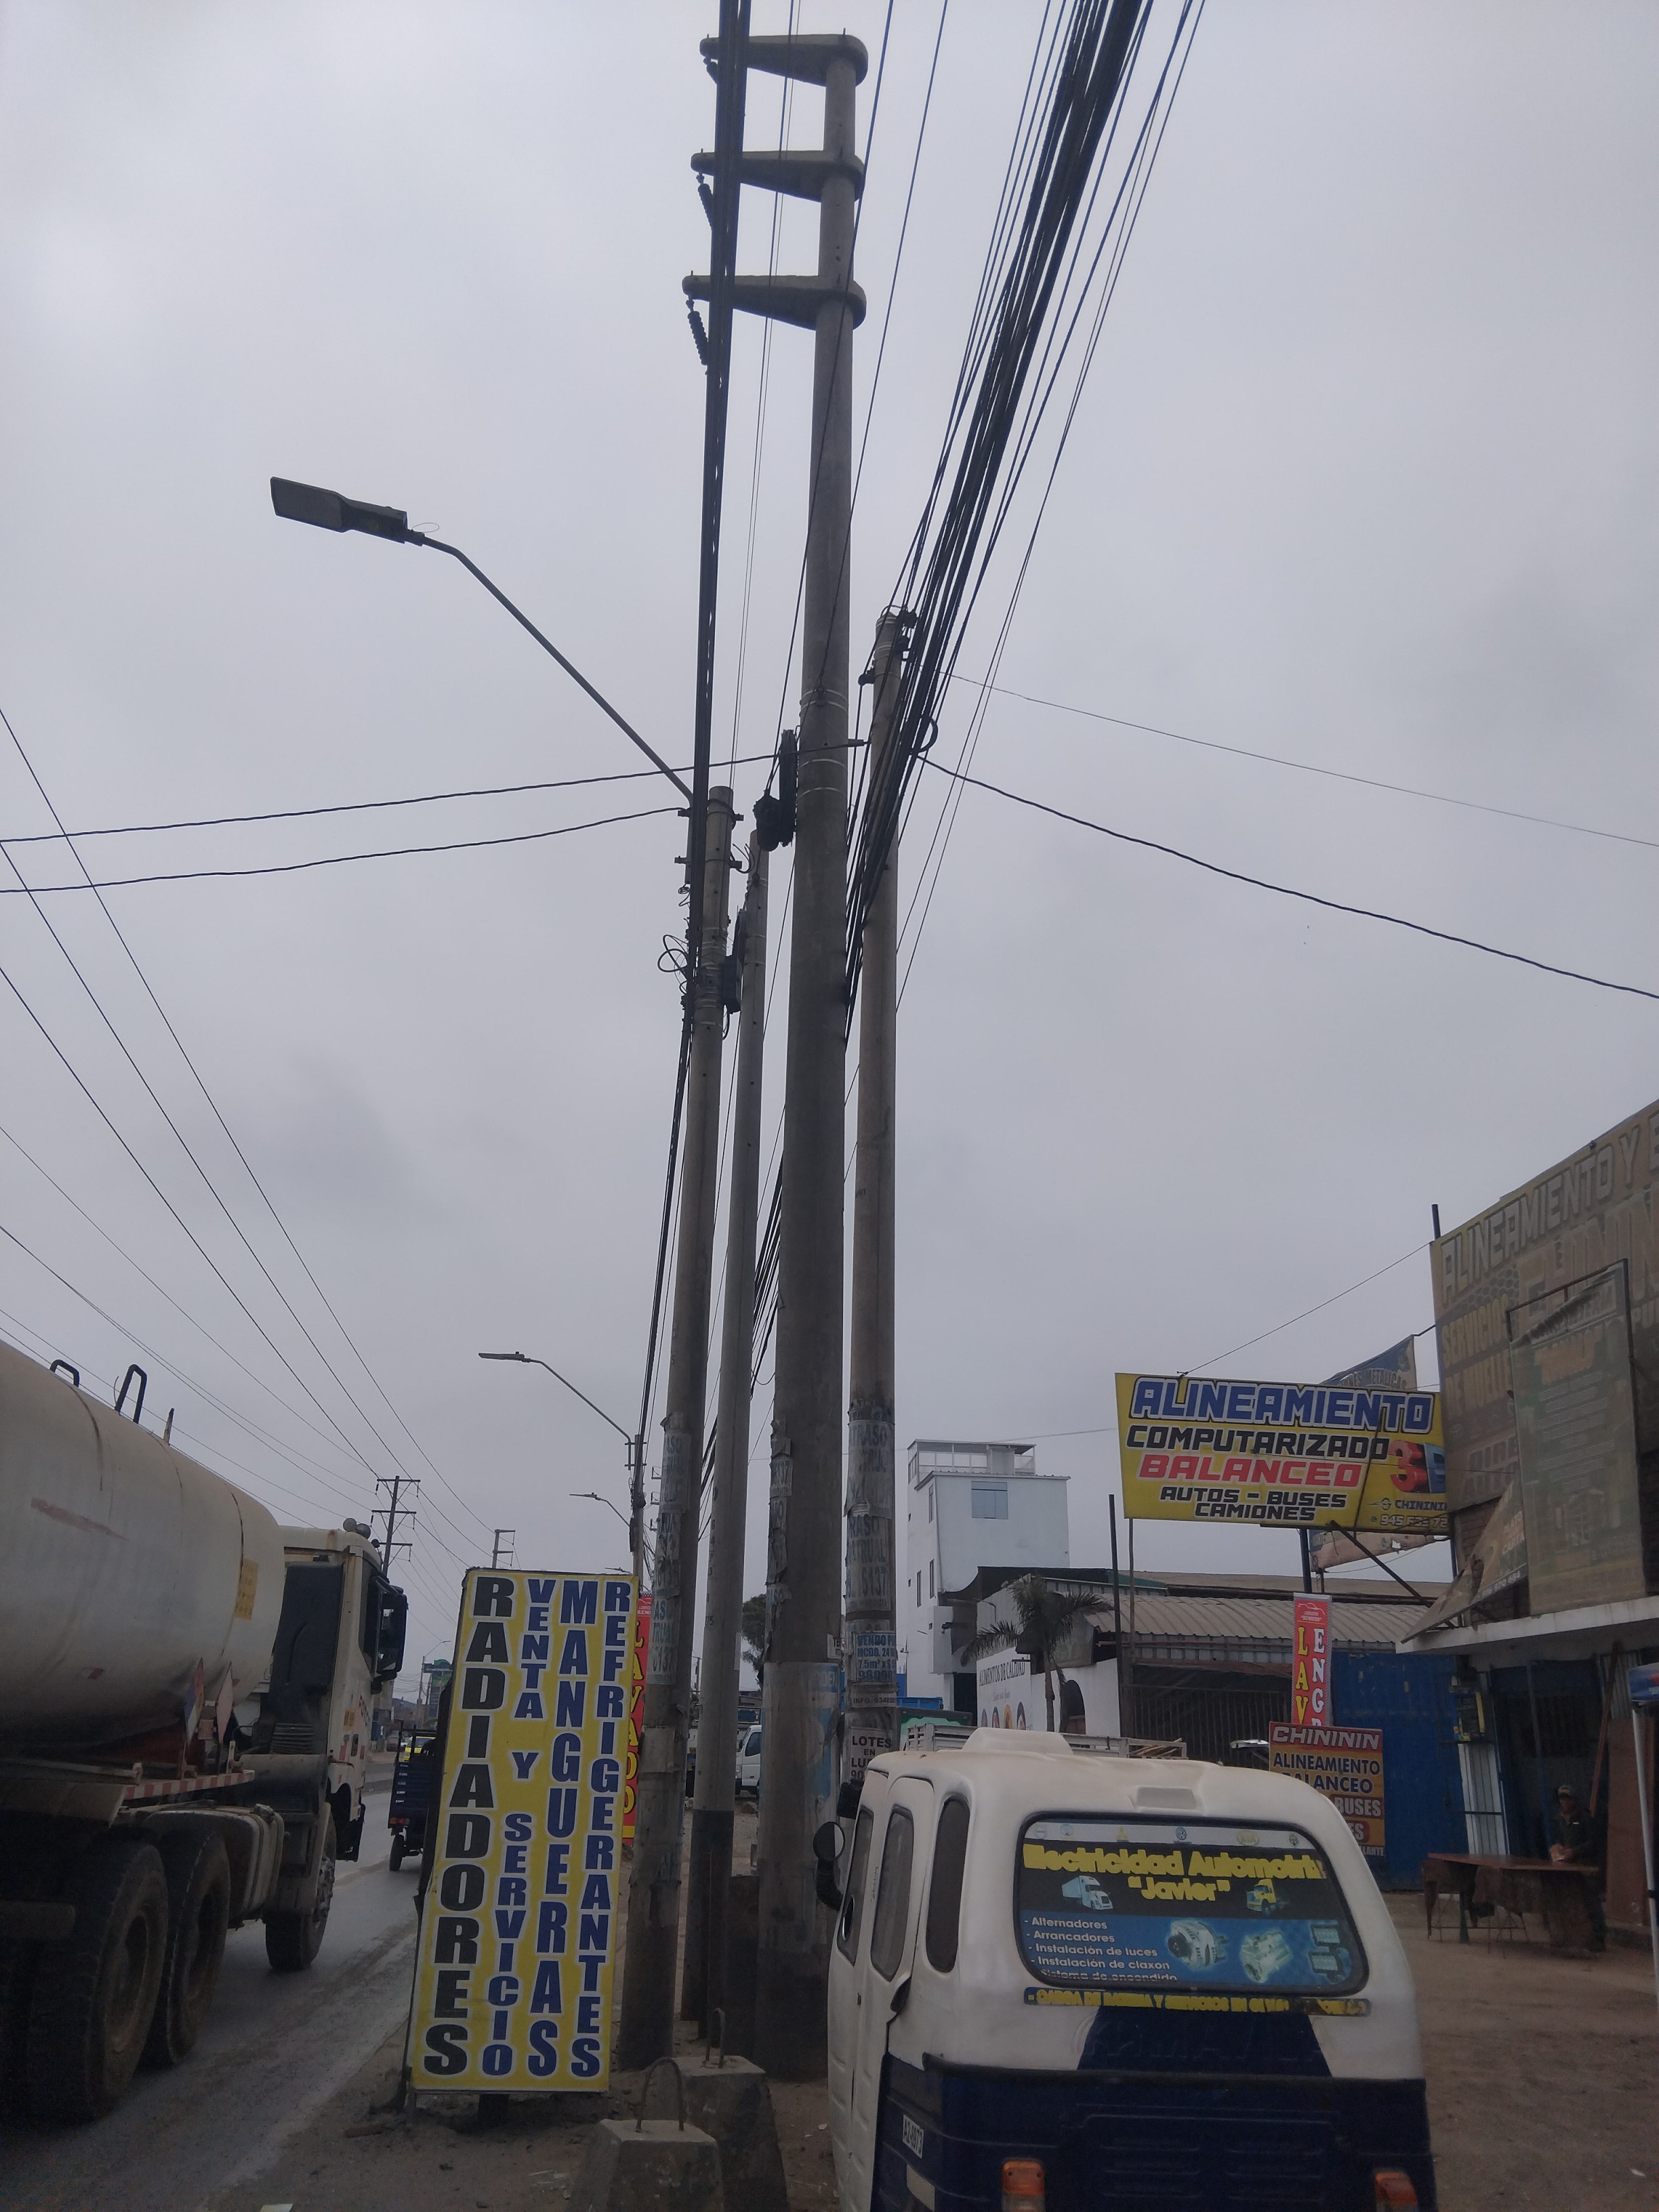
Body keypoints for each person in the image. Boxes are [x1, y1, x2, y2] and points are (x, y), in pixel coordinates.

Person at [1551, 1782, 1606, 1948]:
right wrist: (1558, 1848)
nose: (1564, 1802)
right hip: (1569, 1868)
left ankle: (1598, 1938)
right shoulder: (1559, 1819)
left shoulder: (1585, 1818)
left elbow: (1594, 1843)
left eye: (1567, 1799)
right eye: (1562, 1799)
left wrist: (1574, 1852)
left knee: (1591, 1903)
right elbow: (1560, 1840)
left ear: (1574, 1800)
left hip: (1587, 1867)